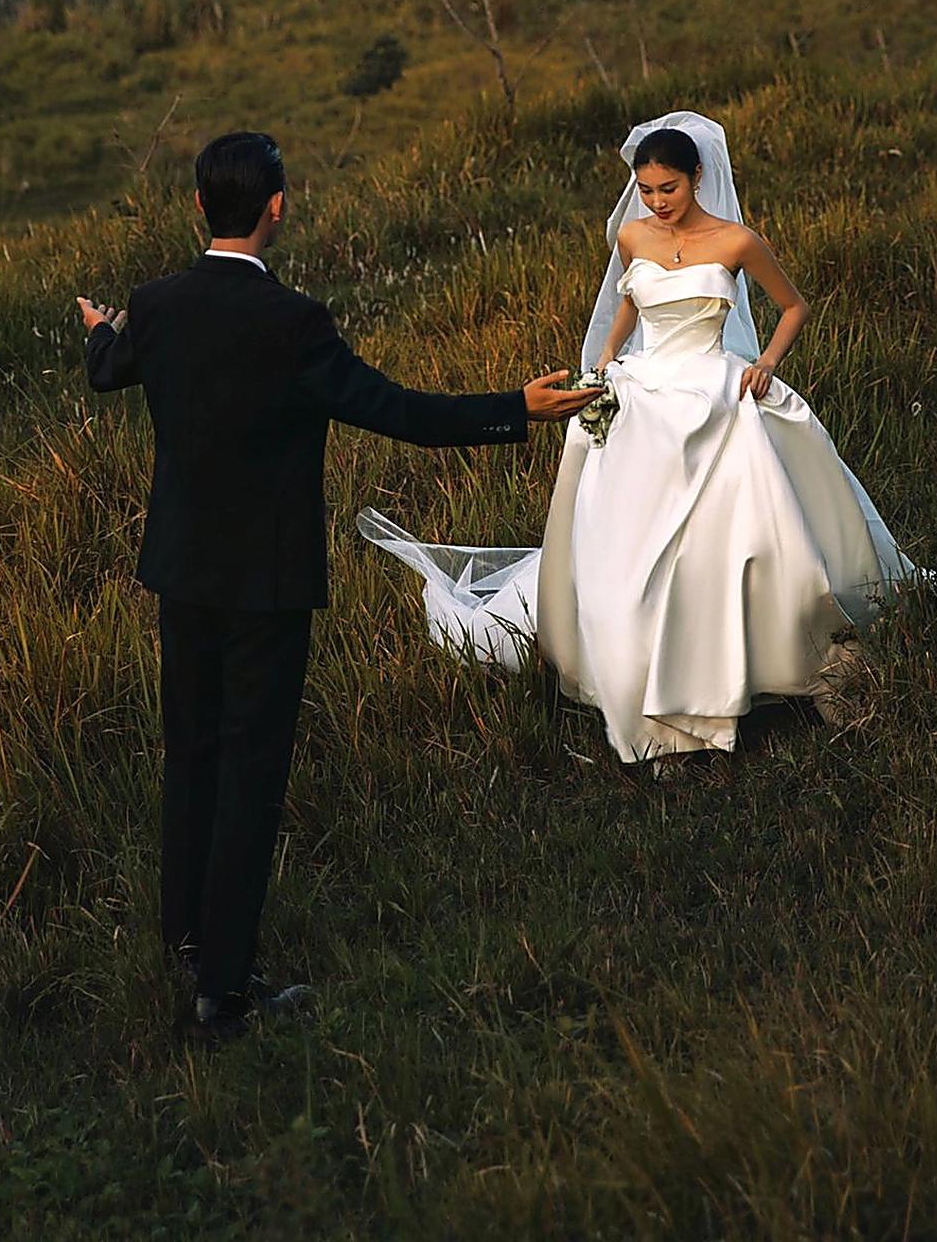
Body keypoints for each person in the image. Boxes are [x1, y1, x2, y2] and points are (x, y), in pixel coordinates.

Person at [76, 130, 598, 1046]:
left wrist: (99, 330)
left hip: (182, 574)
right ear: (277, 207)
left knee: (190, 755)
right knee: (249, 773)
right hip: (267, 585)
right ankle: (224, 996)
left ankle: (187, 942)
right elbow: (398, 413)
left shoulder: (154, 307)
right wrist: (514, 409)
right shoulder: (295, 323)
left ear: (199, 206)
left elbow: (109, 370)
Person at [359, 110, 937, 772]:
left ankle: (766, 660)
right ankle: (642, 683)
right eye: (645, 189)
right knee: (630, 540)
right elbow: (627, 305)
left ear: (697, 177)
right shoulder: (633, 236)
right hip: (644, 389)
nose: (656, 201)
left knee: (749, 529)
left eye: (668, 188)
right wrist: (606, 361)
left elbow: (794, 306)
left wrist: (765, 364)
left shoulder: (736, 240)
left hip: (714, 387)